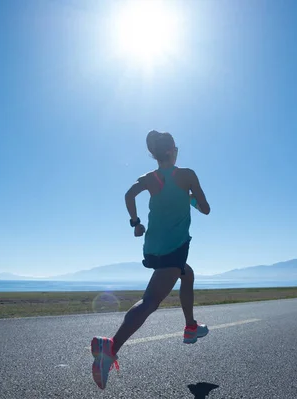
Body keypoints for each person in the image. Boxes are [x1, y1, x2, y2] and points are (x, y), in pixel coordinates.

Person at [91, 130, 211, 390]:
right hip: (174, 247)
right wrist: (190, 198)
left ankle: (190, 326)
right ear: (172, 151)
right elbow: (206, 208)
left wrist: (135, 224)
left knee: (186, 274)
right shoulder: (186, 175)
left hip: (153, 248)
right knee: (150, 301)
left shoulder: (149, 178)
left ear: (155, 154)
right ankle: (110, 347)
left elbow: (128, 195)